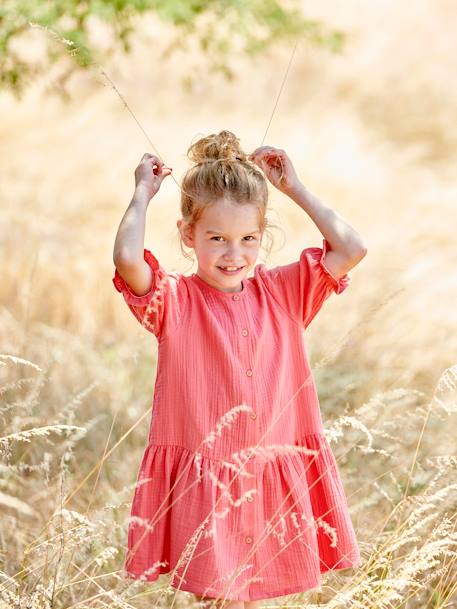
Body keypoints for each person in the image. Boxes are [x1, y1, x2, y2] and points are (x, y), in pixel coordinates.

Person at [112, 130, 367, 609]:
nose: (234, 254)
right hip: (211, 483)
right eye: (217, 239)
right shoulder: (175, 301)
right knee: (224, 600)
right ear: (189, 236)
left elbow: (351, 248)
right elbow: (127, 259)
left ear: (263, 234)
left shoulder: (284, 292)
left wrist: (295, 188)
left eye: (249, 238)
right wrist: (142, 194)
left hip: (272, 470)